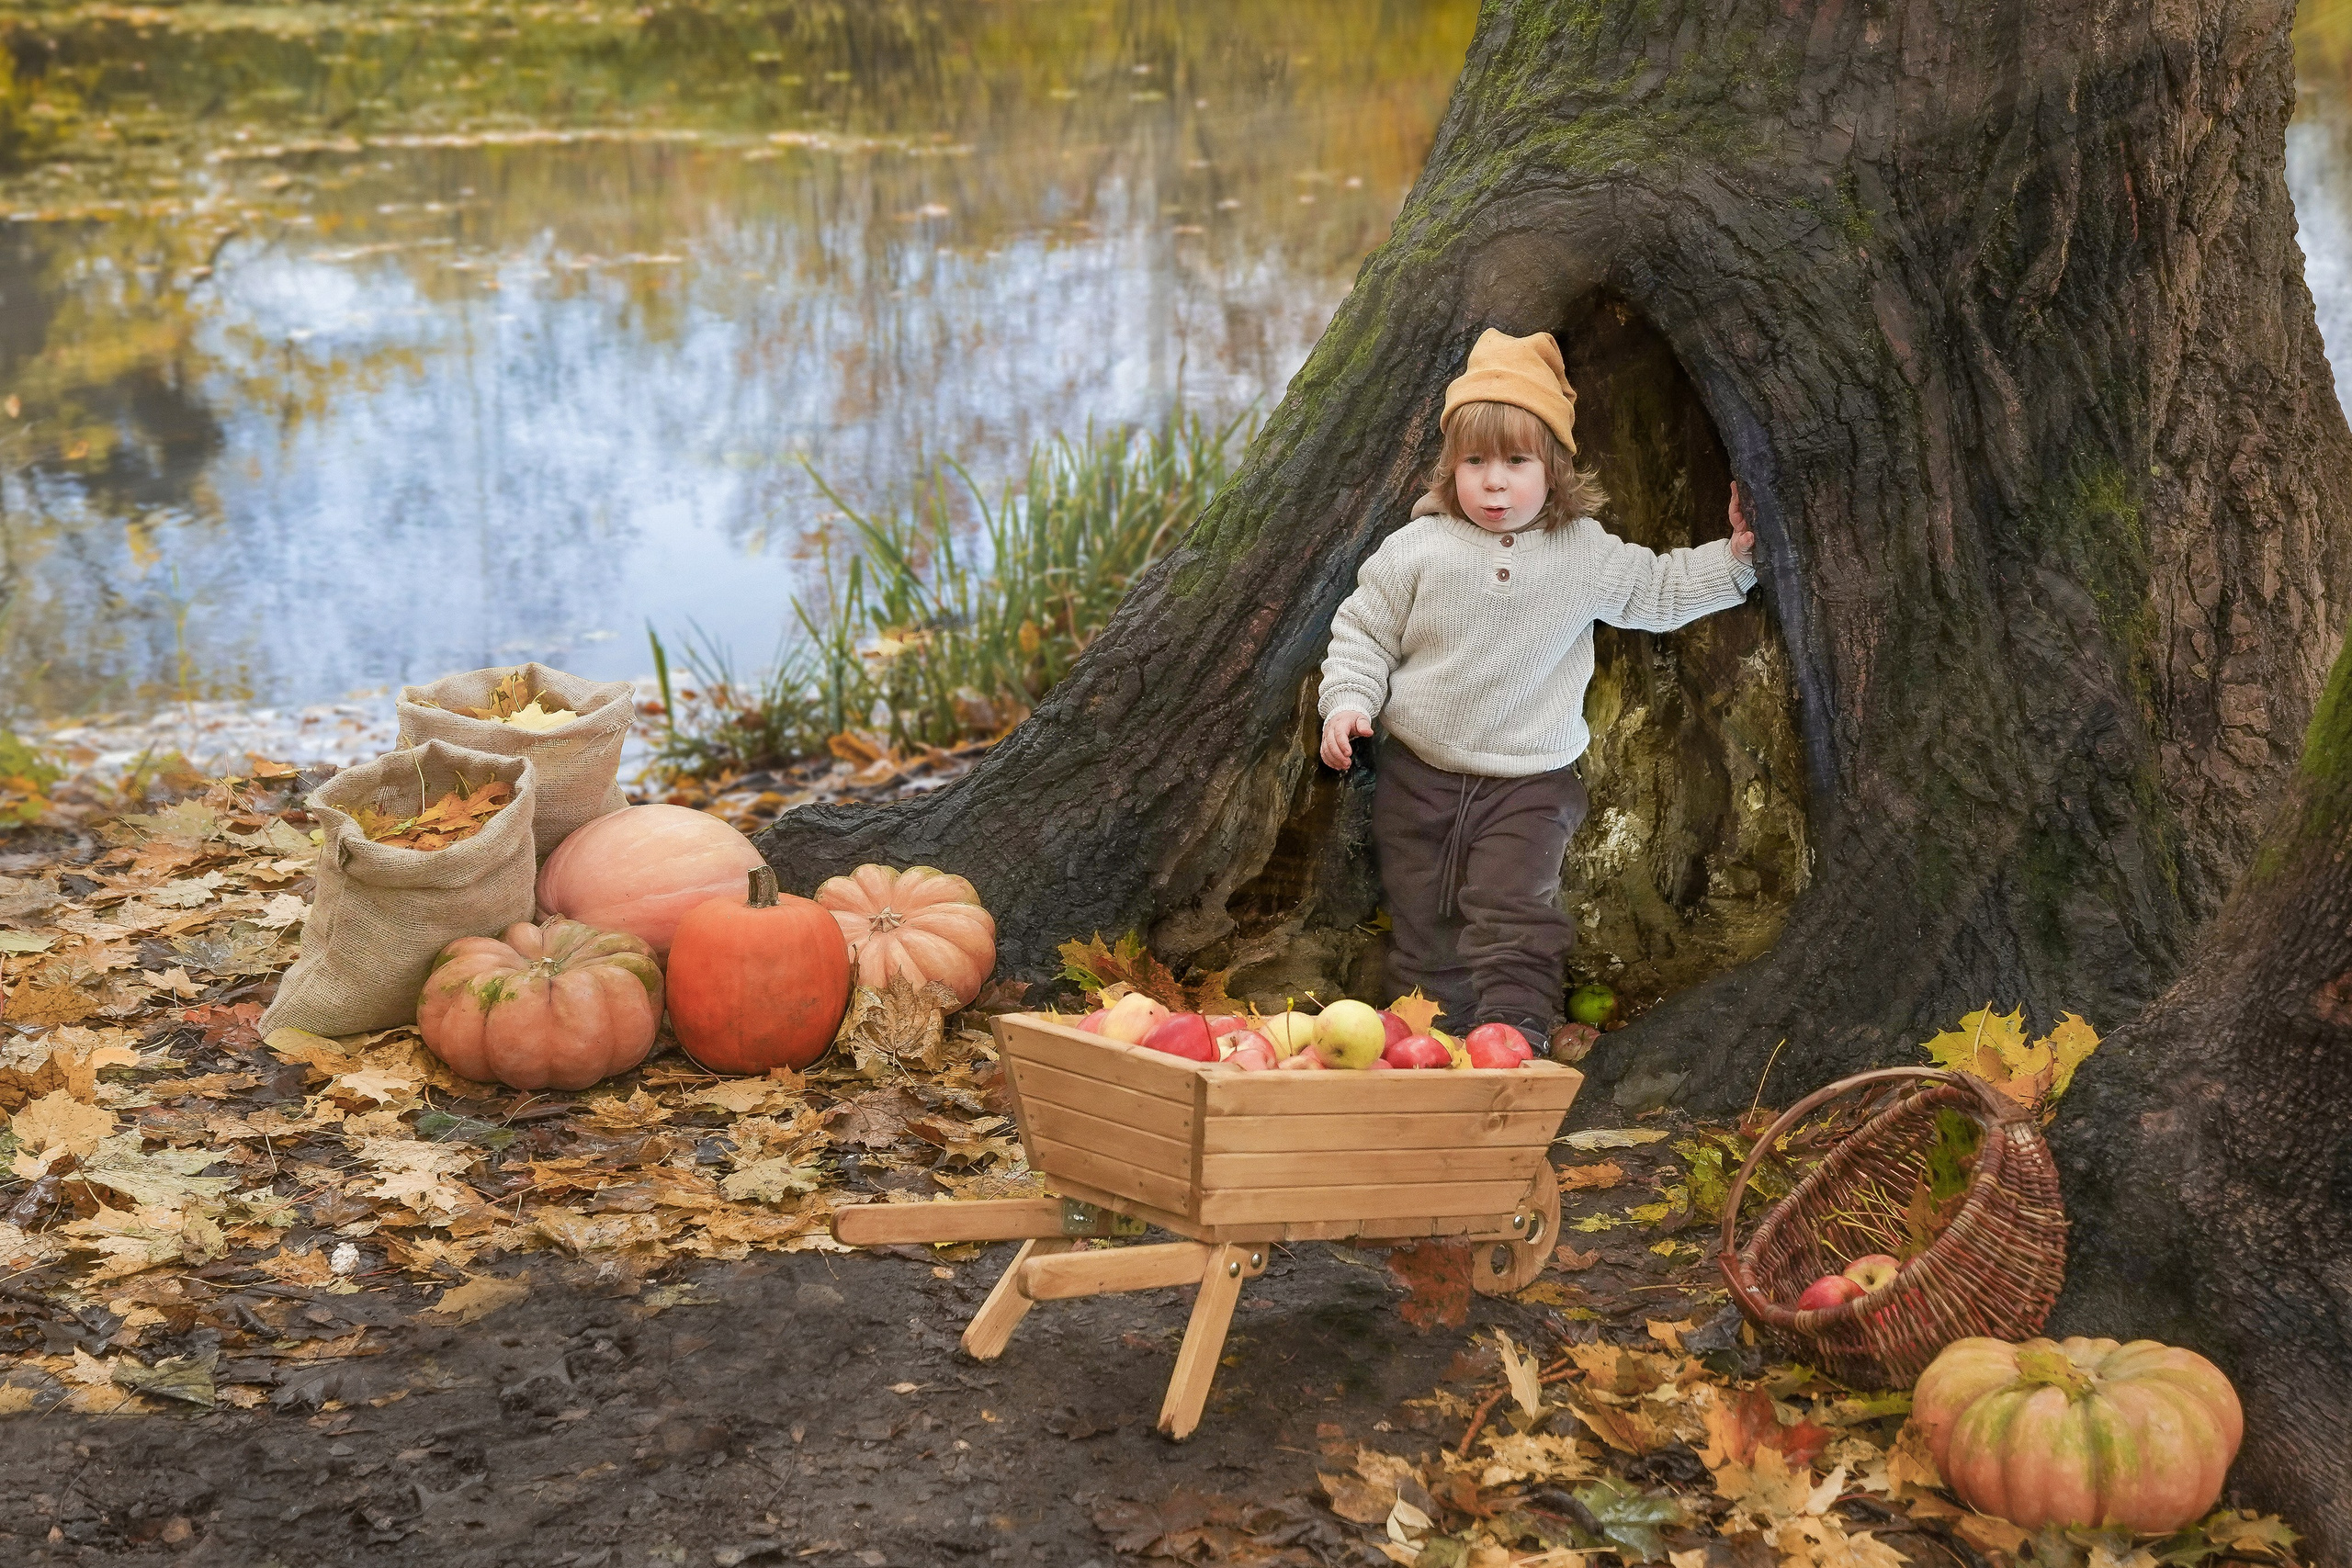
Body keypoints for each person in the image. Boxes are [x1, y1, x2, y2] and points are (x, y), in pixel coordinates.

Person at [1317, 328, 1758, 1054]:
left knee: (1513, 909)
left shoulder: (1581, 551)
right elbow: (1363, 634)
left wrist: (1738, 560)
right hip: (1418, 774)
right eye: (1475, 461)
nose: (1494, 482)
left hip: (1529, 784)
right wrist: (1347, 704)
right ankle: (1430, 1037)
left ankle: (1514, 1031)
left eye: (1516, 461)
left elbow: (1657, 589)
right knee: (1422, 912)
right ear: (1451, 467)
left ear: (1554, 467)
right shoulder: (1416, 549)